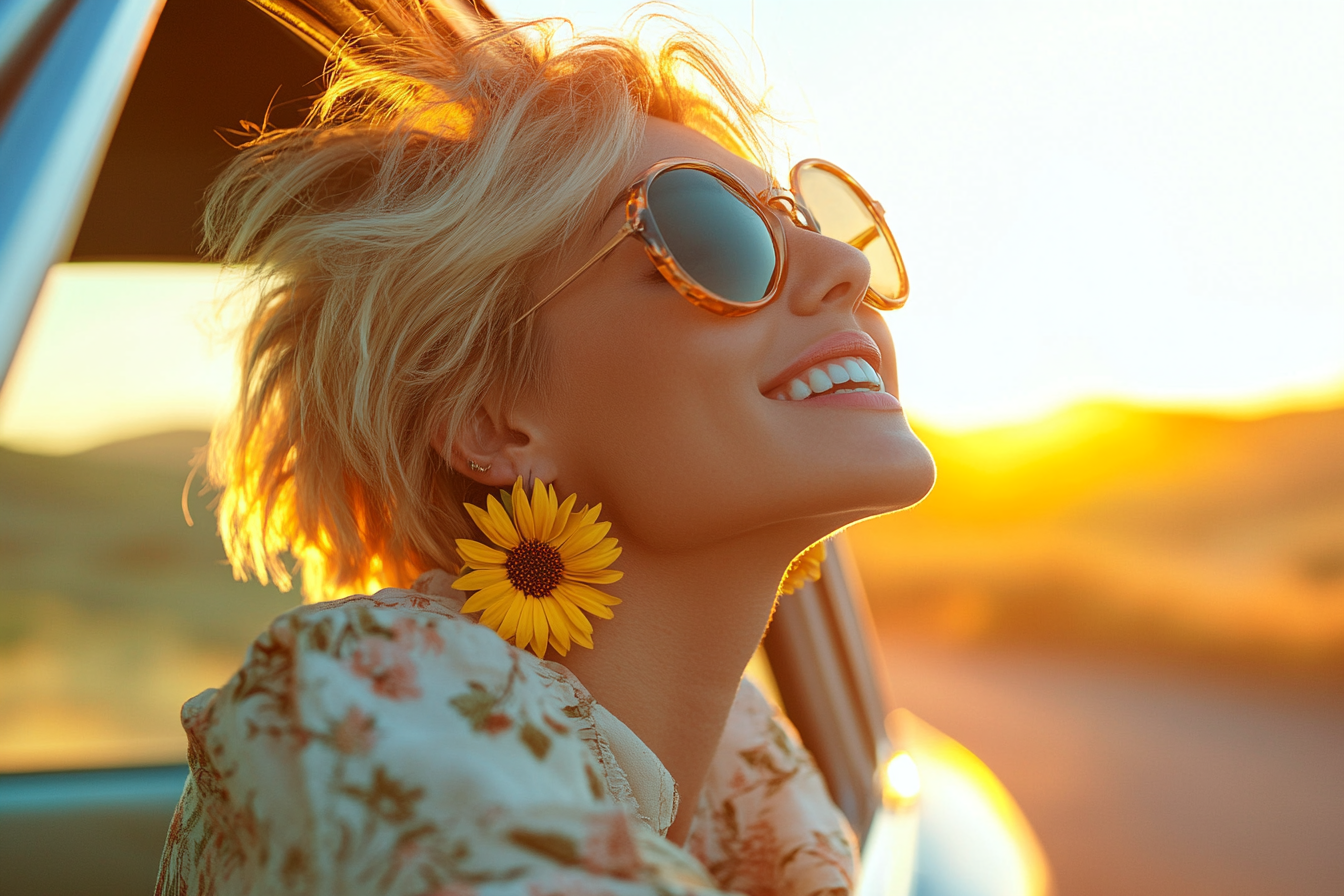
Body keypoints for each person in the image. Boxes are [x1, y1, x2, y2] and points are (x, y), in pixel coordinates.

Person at [156, 7, 935, 894]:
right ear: (491, 423)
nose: (845, 266)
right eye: (714, 236)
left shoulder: (757, 777)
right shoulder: (370, 702)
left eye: (810, 220)